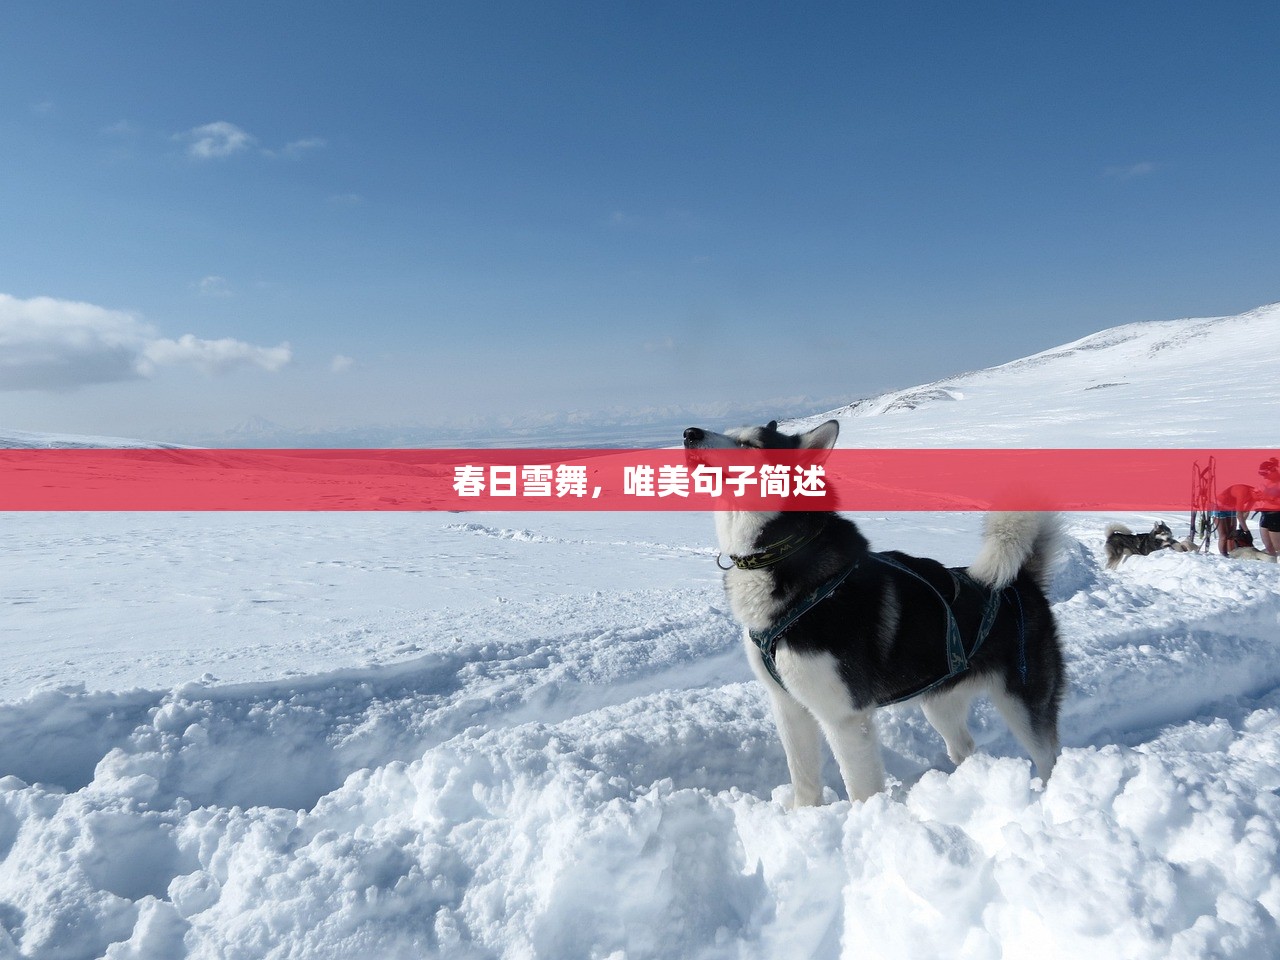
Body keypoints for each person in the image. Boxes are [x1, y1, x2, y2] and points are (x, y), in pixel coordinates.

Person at [1213, 483, 1256, 556]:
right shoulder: (1243, 491)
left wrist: (1242, 527)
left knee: (1232, 534)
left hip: (1231, 508)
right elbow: (1239, 515)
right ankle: (1223, 555)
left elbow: (1245, 512)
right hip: (1219, 506)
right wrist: (1247, 531)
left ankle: (1232, 554)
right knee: (1223, 536)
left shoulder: (1255, 496)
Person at [1257, 457, 1280, 557]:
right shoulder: (1267, 482)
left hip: (1276, 515)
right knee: (1269, 547)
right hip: (1265, 515)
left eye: (1265, 474)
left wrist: (1269, 499)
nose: (1264, 477)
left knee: (1277, 547)